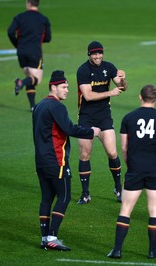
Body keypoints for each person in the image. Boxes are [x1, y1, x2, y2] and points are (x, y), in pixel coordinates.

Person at [32, 70, 100, 251]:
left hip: (41, 160)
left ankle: (45, 238)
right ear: (53, 87)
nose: (67, 90)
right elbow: (70, 129)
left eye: (68, 87)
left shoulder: (39, 106)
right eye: (63, 87)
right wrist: (91, 132)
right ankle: (52, 237)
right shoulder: (57, 107)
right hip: (56, 159)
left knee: (47, 197)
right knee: (64, 196)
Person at [107, 84, 156, 259]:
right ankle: (152, 251)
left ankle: (117, 250)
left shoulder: (128, 118)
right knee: (154, 210)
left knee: (125, 209)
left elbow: (123, 147)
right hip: (155, 170)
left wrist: (131, 164)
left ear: (140, 97)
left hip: (135, 169)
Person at [76, 41, 128, 204]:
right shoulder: (83, 70)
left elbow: (122, 87)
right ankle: (85, 194)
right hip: (86, 117)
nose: (98, 56)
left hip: (104, 117)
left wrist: (122, 80)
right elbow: (88, 96)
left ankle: (118, 189)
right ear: (89, 55)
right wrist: (110, 93)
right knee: (85, 155)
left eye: (100, 53)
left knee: (112, 153)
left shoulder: (109, 67)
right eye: (94, 54)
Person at [7, 0, 51, 112]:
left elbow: (10, 31)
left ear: (28, 3)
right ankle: (20, 83)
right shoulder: (43, 19)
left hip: (21, 51)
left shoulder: (19, 17)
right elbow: (48, 38)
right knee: (37, 79)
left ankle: (32, 106)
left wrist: (17, 44)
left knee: (30, 78)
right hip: (34, 52)